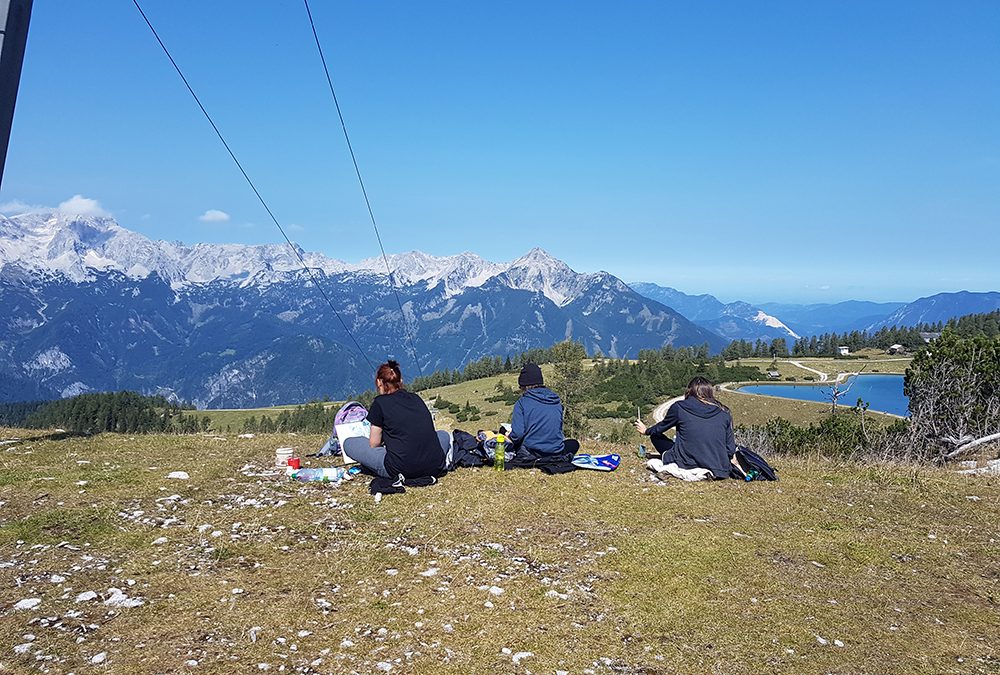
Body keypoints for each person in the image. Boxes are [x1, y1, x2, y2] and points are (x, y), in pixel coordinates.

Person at [343, 360, 450, 480]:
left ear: (379, 382)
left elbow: (374, 443)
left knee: (348, 443)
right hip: (434, 465)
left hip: (400, 469)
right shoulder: (416, 398)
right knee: (443, 434)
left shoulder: (380, 403)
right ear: (401, 381)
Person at [633, 376, 735, 480]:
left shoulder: (679, 407)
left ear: (689, 391)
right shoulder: (724, 413)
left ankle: (676, 460)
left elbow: (661, 427)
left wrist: (646, 431)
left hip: (686, 463)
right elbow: (730, 449)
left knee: (655, 436)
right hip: (719, 468)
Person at [507, 362, 579, 464]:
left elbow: (518, 434)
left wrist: (508, 438)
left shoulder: (522, 403)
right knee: (573, 444)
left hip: (531, 453)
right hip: (555, 452)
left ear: (524, 386)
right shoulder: (556, 400)